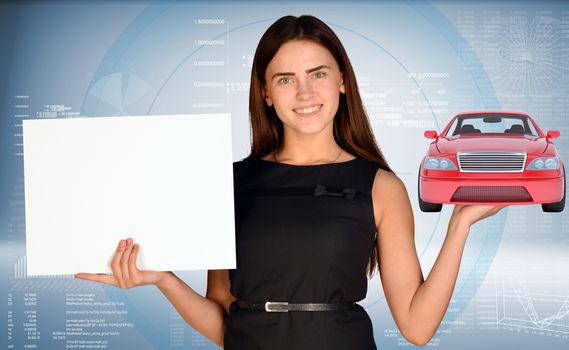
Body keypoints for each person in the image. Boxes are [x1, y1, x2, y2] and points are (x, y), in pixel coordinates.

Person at [76, 15, 505, 349]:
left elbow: (417, 326)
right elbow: (226, 321)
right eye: (286, 79)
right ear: (265, 92)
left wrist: (460, 225)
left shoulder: (381, 187)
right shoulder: (228, 183)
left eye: (318, 74)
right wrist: (164, 280)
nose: (304, 93)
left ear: (342, 82)